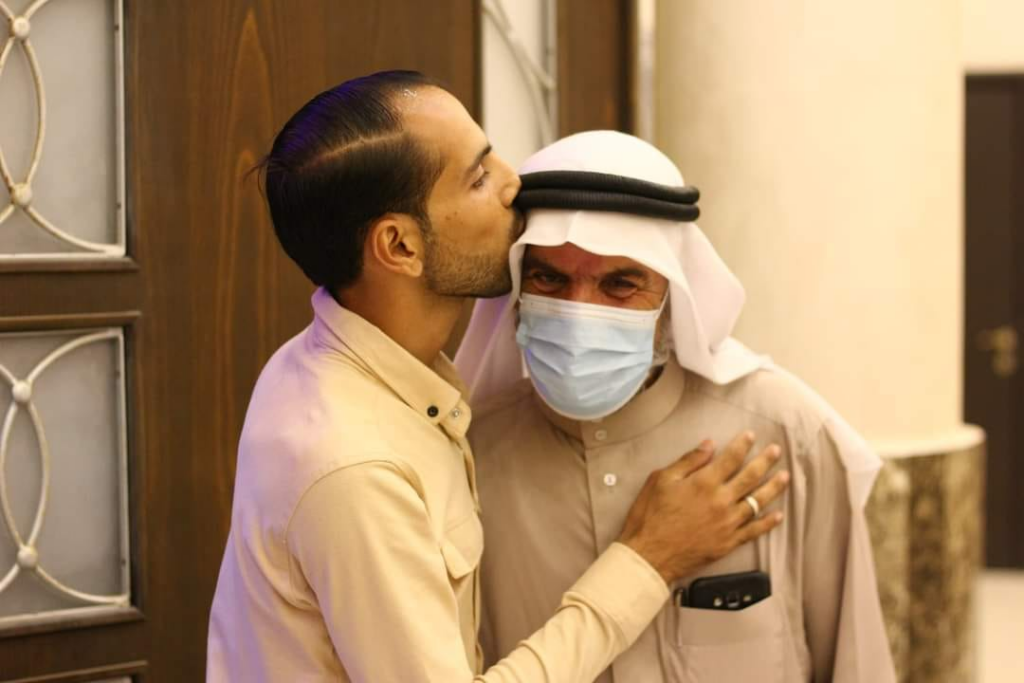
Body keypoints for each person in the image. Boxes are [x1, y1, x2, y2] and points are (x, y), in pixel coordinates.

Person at [205, 71, 789, 682]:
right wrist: (647, 559)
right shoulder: (355, 466)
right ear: (400, 247)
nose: (515, 183)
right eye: (479, 177)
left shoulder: (335, 369)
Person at [457, 130, 897, 683]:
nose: (580, 311)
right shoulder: (471, 457)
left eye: (621, 284)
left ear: (672, 296)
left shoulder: (788, 434)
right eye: (550, 278)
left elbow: (856, 663)